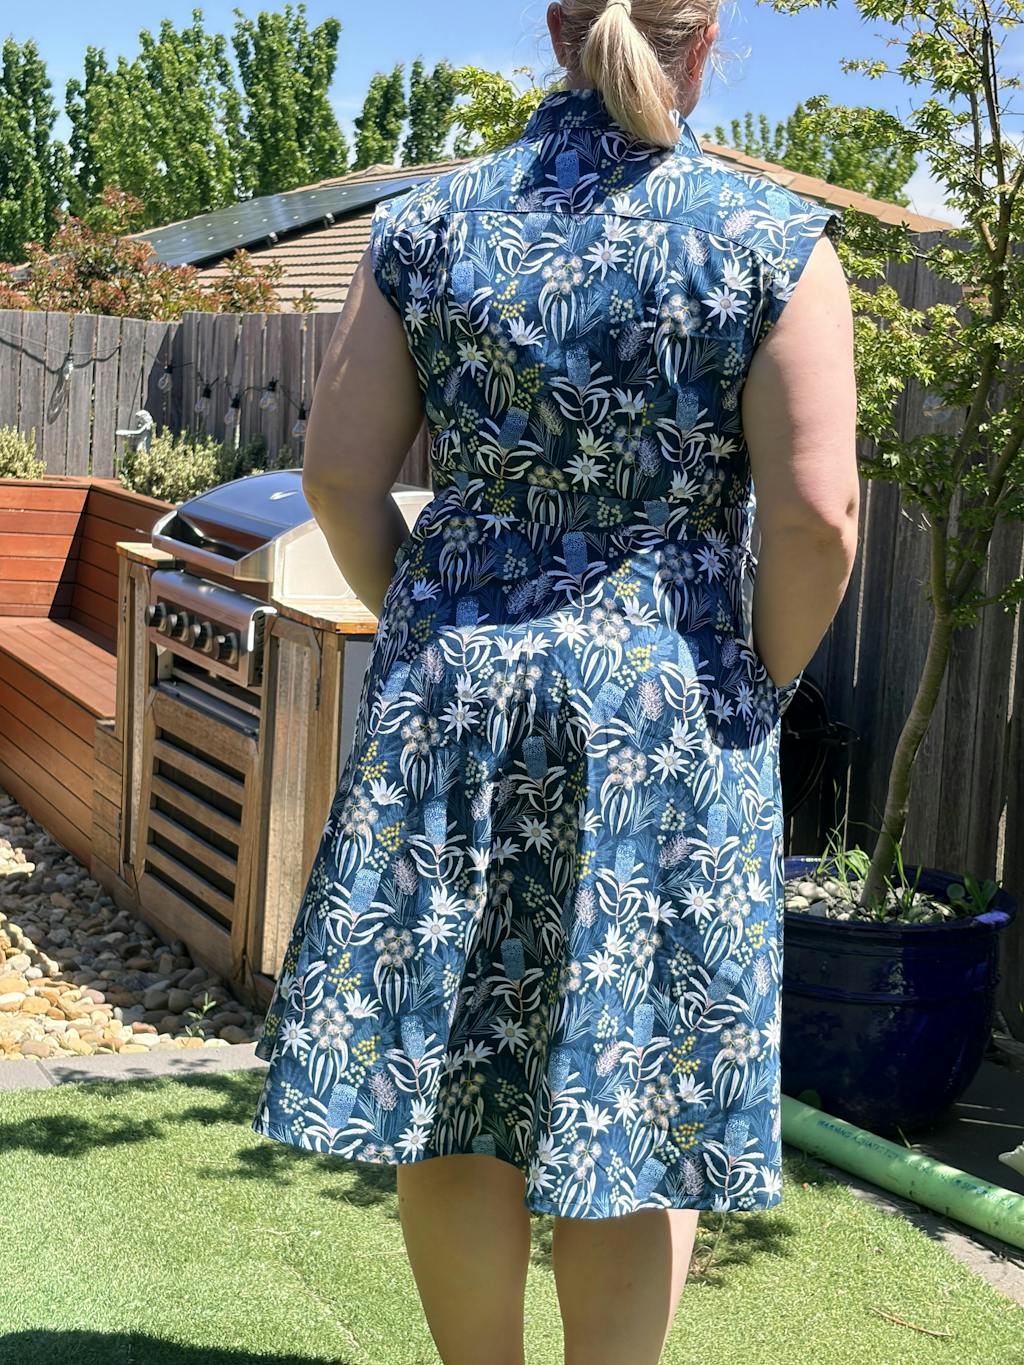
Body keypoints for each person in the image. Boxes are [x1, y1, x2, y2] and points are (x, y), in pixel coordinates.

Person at [250, 0, 859, 1361]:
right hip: (668, 717)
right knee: (630, 1087)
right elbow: (818, 519)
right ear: (705, 40)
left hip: (454, 704)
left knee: (456, 1076)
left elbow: (338, 478)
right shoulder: (770, 238)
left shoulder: (424, 226)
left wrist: (438, 629)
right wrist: (747, 686)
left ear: (555, 29)